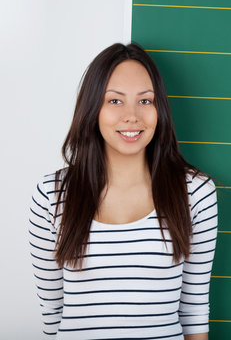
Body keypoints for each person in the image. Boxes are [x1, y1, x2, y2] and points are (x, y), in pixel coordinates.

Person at [28, 43, 218, 340]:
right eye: (115, 101)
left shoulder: (196, 192)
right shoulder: (51, 194)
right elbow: (52, 313)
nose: (132, 116)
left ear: (160, 110)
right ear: (93, 109)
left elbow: (194, 310)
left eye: (145, 101)